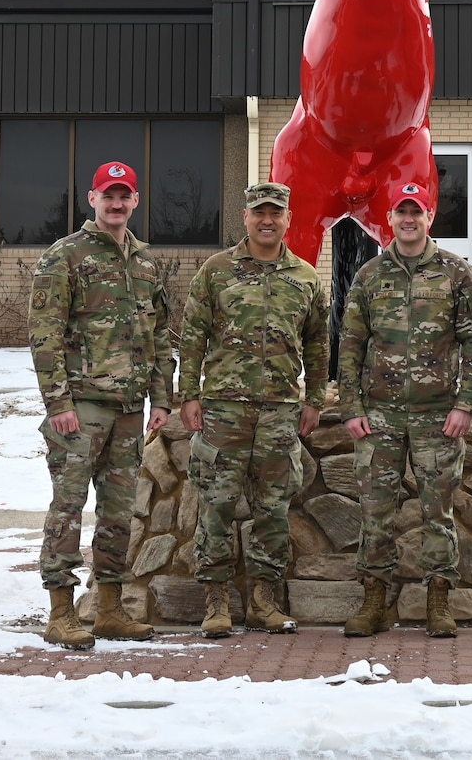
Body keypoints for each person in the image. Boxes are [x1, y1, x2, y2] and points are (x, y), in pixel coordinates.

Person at [27, 160, 174, 650]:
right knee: (68, 508)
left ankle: (109, 609)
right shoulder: (65, 256)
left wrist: (161, 399)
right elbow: (43, 334)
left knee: (118, 513)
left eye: (124, 195)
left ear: (135, 202)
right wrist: (57, 403)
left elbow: (158, 337)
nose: (116, 203)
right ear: (92, 199)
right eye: (108, 195)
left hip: (131, 410)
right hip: (81, 408)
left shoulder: (147, 262)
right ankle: (60, 612)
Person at [338, 182, 472, 638]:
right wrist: (350, 406)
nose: (408, 220)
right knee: (375, 512)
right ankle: (373, 601)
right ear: (390, 218)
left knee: (438, 513)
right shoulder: (369, 275)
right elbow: (350, 346)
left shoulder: (457, 274)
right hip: (379, 417)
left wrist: (466, 404)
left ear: (429, 217)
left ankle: (438, 601)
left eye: (417, 212)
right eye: (401, 212)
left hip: (437, 418)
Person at [178, 182, 330, 637]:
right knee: (218, 505)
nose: (267, 220)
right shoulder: (216, 270)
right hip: (223, 409)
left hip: (281, 409)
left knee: (273, 509)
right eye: (259, 212)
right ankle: (216, 601)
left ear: (288, 220)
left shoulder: (304, 277)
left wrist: (316, 399)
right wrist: (189, 394)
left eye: (276, 213)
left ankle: (264, 600)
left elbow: (319, 344)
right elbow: (192, 336)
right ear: (245, 217)